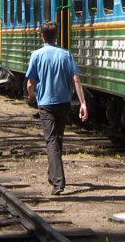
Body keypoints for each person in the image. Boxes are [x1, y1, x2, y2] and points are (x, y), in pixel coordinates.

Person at [25, 21, 88, 196]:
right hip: (64, 103)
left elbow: (31, 82)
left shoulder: (36, 55)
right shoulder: (66, 54)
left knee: (51, 140)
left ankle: (58, 182)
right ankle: (52, 176)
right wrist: (82, 103)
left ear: (42, 36)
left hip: (46, 104)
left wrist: (32, 96)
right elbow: (76, 79)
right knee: (57, 139)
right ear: (56, 36)